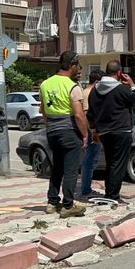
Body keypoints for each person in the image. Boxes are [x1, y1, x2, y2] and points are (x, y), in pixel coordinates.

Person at [39, 51, 88, 218]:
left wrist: (50, 125)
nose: (78, 69)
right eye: (77, 65)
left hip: (52, 131)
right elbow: (79, 115)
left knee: (57, 168)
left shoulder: (45, 84)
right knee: (71, 169)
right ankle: (68, 205)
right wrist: (85, 135)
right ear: (72, 65)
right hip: (69, 131)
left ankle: (52, 202)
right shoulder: (72, 86)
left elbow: (43, 110)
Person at [87, 61, 135, 202]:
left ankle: (109, 193)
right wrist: (132, 84)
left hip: (104, 132)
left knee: (111, 162)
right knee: (118, 164)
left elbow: (91, 114)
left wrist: (94, 131)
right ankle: (113, 195)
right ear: (119, 73)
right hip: (121, 131)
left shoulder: (94, 90)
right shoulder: (121, 89)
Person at [80, 69, 104, 196]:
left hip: (90, 130)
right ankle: (86, 188)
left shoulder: (86, 92)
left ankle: (86, 186)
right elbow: (86, 114)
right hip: (91, 131)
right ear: (96, 81)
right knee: (90, 160)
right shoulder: (89, 93)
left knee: (91, 160)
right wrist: (92, 131)